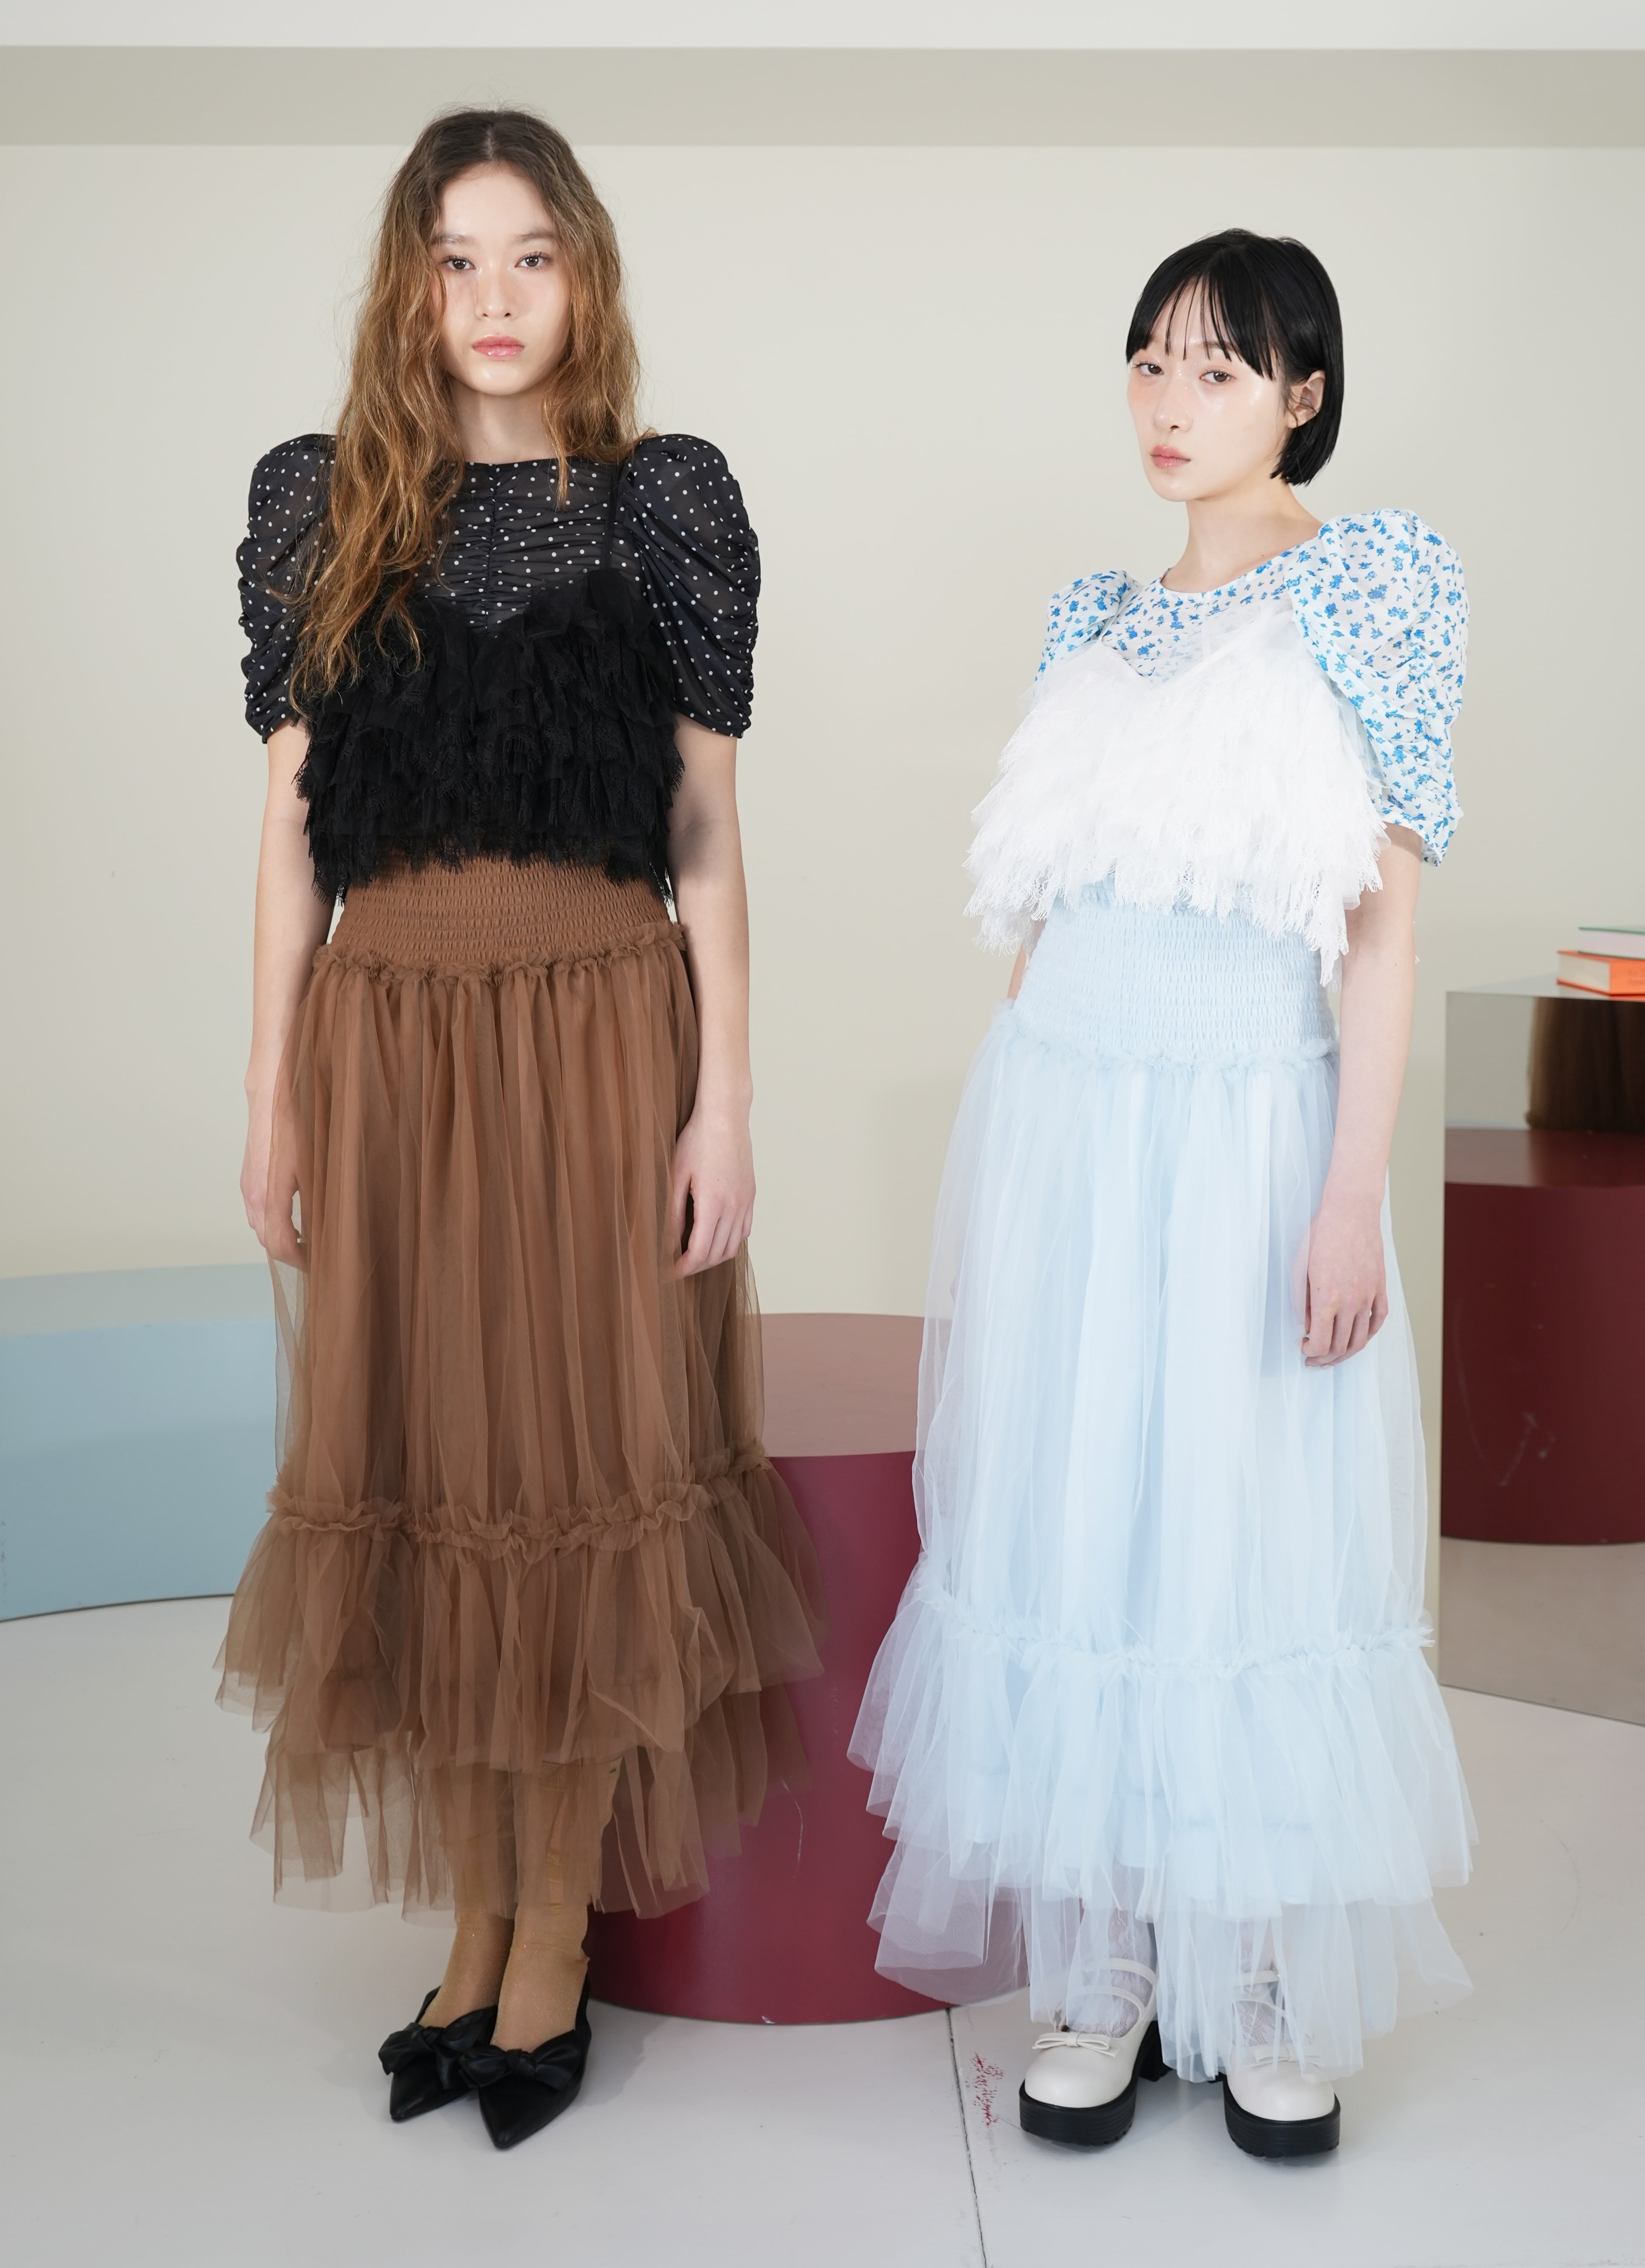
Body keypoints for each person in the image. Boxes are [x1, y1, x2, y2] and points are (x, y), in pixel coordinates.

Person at [219, 107, 823, 2153]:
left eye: (531, 255)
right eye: (456, 257)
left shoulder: (665, 504)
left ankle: (550, 1928)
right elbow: (292, 835)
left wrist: (723, 1096)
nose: (493, 298)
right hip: (389, 1041)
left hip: (595, 1041)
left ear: (587, 277)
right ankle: (466, 1924)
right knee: (424, 1469)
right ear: (410, 285)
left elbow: (706, 834)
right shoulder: (315, 503)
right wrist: (271, 1089)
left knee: (568, 1474)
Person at [851, 229, 1476, 2160]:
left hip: (1248, 1127)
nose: (1168, 402)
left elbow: (1378, 934)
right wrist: (1024, 1170)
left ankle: (1264, 1971)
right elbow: (1039, 920)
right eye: (1147, 362)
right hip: (1069, 1127)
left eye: (1217, 368)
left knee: (1245, 1530)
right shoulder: (1089, 616)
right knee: (1088, 1524)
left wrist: (1349, 1193)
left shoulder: (1377, 586)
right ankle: (1108, 1962)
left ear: (1302, 393)